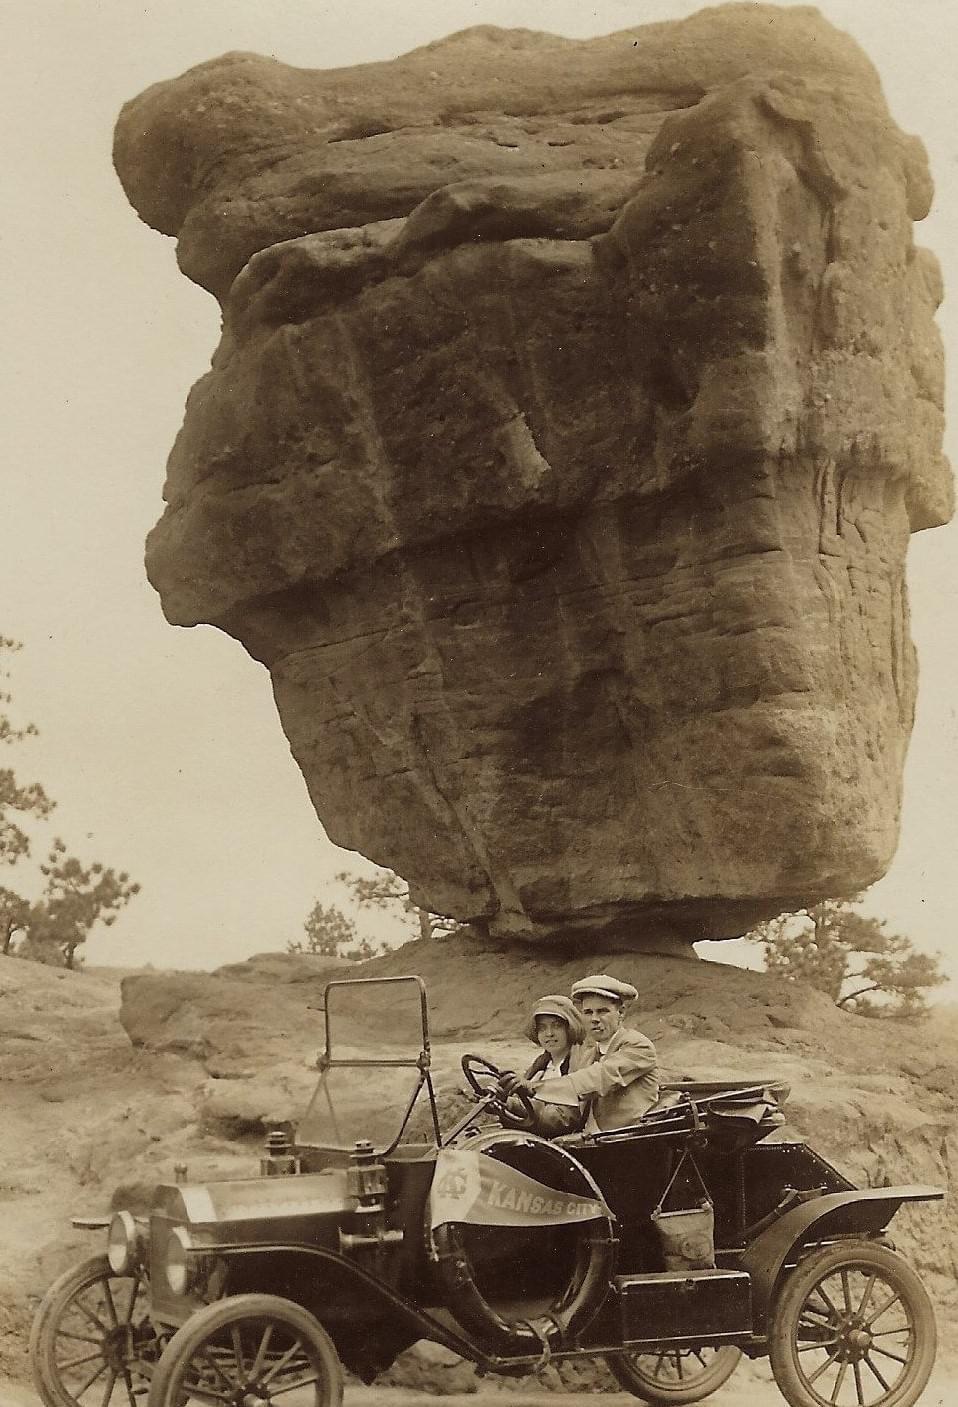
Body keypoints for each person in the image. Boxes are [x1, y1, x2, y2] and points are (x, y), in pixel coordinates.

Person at [509, 974, 658, 1132]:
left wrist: (534, 1088)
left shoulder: (638, 1046)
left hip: (632, 1142)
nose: (594, 1019)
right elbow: (567, 1113)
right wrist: (511, 1104)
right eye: (588, 1012)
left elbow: (598, 1079)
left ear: (621, 1013)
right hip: (596, 1143)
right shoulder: (589, 1055)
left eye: (602, 1011)